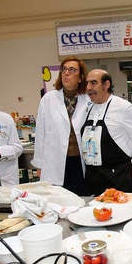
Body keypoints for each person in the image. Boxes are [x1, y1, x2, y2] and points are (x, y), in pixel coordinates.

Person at [80, 69, 132, 194]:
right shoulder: (87, 109)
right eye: (87, 83)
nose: (88, 87)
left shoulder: (123, 107)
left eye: (93, 83)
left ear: (106, 84)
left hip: (118, 178)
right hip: (93, 178)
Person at [32, 57, 89, 195]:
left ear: (81, 77)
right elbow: (40, 134)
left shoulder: (88, 99)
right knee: (58, 201)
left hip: (81, 162)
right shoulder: (48, 99)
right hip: (55, 162)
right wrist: (39, 165)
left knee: (81, 200)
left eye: (72, 70)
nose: (66, 73)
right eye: (64, 69)